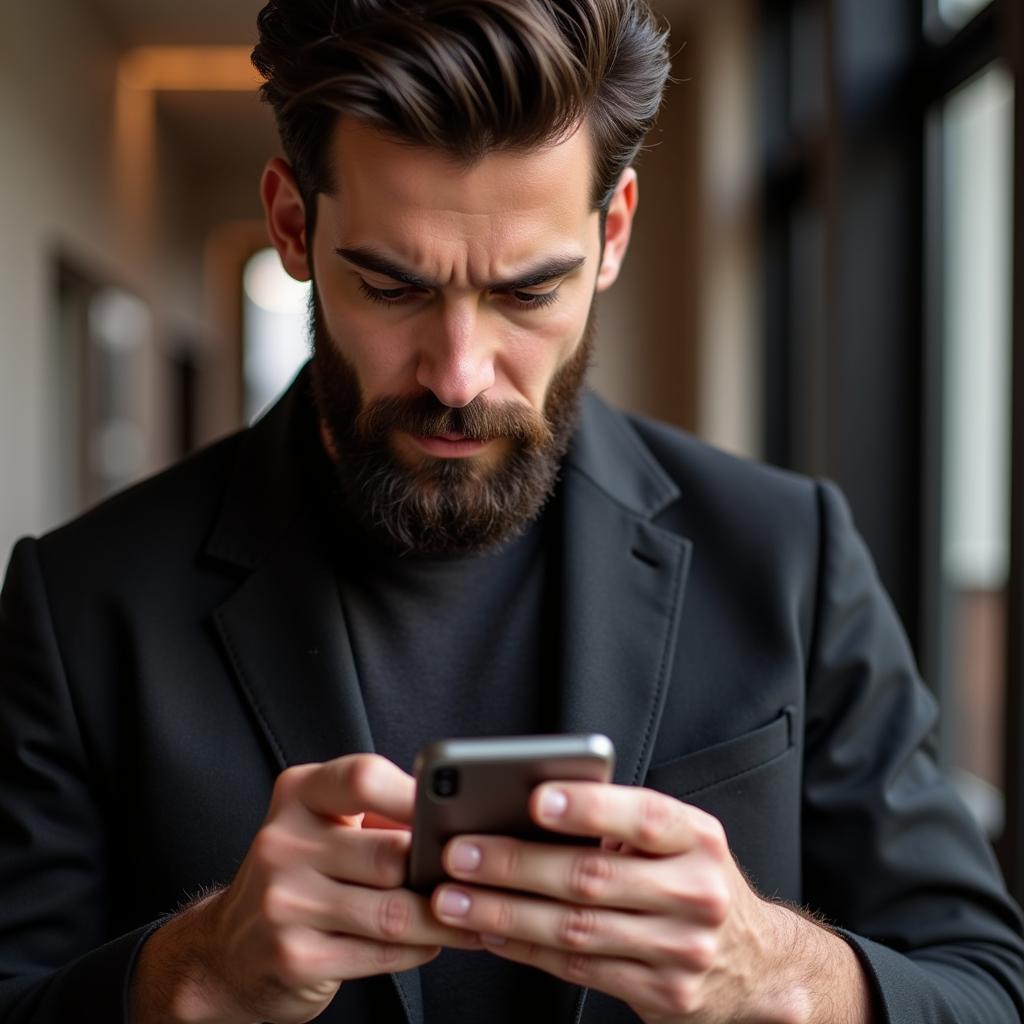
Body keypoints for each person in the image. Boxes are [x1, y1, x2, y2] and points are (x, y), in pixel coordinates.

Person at [1, 0, 1022, 1021]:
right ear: (291, 225)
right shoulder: (80, 598)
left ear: (612, 232)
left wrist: (777, 971)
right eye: (391, 287)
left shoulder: (791, 554)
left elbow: (987, 986)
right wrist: (193, 973)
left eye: (527, 293)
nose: (457, 374)